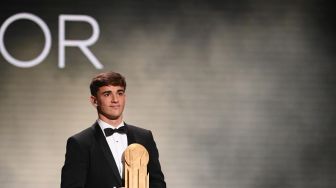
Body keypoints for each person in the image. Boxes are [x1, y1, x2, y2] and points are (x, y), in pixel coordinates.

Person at [61, 71, 166, 188]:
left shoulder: (144, 137)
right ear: (94, 100)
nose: (115, 99)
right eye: (107, 94)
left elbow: (158, 183)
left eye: (120, 93)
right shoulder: (80, 143)